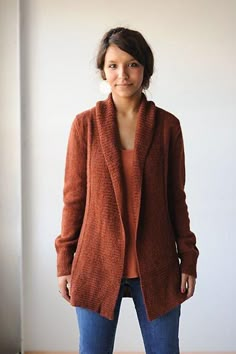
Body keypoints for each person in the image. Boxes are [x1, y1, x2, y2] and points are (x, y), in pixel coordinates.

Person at [55, 27, 199, 354]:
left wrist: (187, 258)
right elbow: (74, 199)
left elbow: (176, 198)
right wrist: (65, 261)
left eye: (132, 64)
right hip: (95, 264)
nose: (123, 74)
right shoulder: (85, 125)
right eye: (113, 65)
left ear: (145, 69)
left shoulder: (167, 126)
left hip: (157, 265)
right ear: (103, 71)